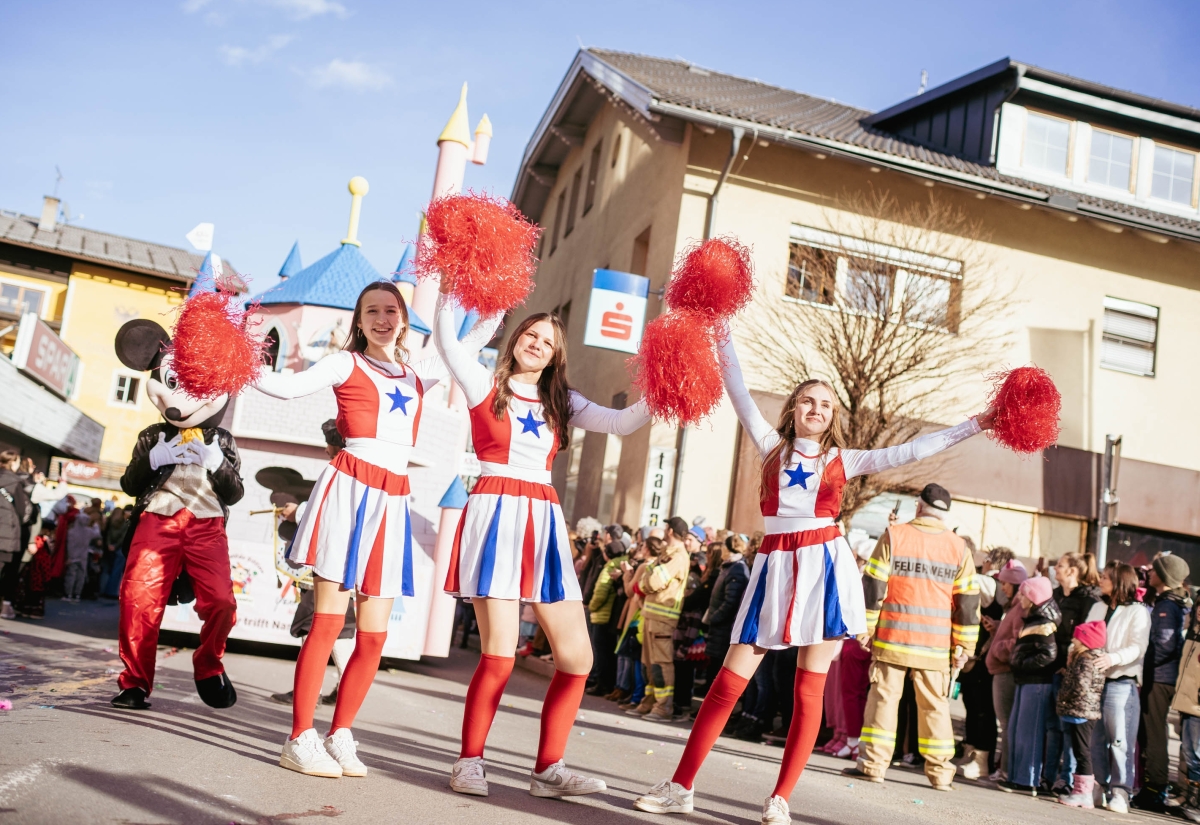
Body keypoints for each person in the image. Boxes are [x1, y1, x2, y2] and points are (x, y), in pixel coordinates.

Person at [635, 332, 993, 824]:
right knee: (726, 684)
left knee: (808, 691)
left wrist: (978, 423)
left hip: (824, 567)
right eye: (808, 400)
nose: (816, 408)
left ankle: (781, 798)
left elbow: (914, 450)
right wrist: (721, 329)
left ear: (833, 415)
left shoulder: (844, 460)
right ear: (793, 409)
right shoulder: (768, 446)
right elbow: (736, 387)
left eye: (825, 403)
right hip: (776, 566)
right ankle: (681, 785)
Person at [256, 281, 498, 779]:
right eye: (373, 311)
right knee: (327, 622)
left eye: (392, 310)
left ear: (405, 319)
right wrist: (232, 361)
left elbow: (471, 341)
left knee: (373, 634)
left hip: (392, 498)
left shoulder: (419, 371)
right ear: (359, 320)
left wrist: (484, 282)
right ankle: (299, 736)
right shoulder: (345, 363)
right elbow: (282, 386)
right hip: (349, 488)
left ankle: (340, 732)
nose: (383, 319)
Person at [434, 288, 651, 800]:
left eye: (547, 342)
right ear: (514, 340)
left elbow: (621, 423)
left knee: (578, 659)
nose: (535, 344)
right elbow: (447, 339)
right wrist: (454, 276)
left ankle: (547, 770)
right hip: (496, 513)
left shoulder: (562, 400)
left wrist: (663, 392)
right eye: (529, 334)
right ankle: (469, 761)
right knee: (500, 654)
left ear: (557, 356)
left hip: (544, 520)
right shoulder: (484, 383)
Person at [844, 483, 981, 791]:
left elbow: (874, 586)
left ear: (918, 507)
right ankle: (940, 774)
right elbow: (968, 604)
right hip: (934, 646)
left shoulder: (895, 536)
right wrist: (964, 646)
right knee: (935, 706)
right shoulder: (959, 548)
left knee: (883, 700)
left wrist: (865, 629)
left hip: (893, 638)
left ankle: (874, 766)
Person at [1085, 561, 1150, 814]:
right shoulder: (1098, 606)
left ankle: (1122, 791)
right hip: (1095, 681)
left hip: (1122, 681)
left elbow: (1138, 646)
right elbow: (1084, 635)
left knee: (1120, 740)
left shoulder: (1138, 611)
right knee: (1095, 738)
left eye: (1106, 577)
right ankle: (1099, 785)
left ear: (1120, 581)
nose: (1101, 580)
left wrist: (1113, 658)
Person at [1131, 553, 1191, 812]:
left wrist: (1143, 662)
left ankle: (1154, 789)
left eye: (1155, 571)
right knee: (1152, 734)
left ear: (1164, 577)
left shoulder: (1167, 606)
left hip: (1160, 678)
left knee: (1153, 735)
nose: (1150, 574)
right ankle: (1153, 786)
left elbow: (1164, 645)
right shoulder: (1169, 602)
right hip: (1160, 676)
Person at [1042, 552, 1102, 794]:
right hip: (1051, 667)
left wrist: (1069, 664)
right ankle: (1048, 777)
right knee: (1052, 727)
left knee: (1069, 729)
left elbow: (1084, 638)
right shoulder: (1056, 595)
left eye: (1061, 565)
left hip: (1072, 672)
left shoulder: (1087, 599)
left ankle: (1066, 779)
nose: (1056, 569)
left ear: (1073, 571)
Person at [999, 575, 1060, 794]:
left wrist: (1023, 664)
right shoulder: (1034, 618)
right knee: (1017, 729)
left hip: (1036, 682)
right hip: (1026, 680)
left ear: (1033, 597)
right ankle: (1017, 777)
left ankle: (1028, 779)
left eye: (1023, 594)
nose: (1019, 597)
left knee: (1028, 732)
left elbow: (1049, 654)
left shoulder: (1043, 622)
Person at [625, 519, 691, 722]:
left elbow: (652, 581)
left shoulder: (678, 557)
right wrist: (647, 579)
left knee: (661, 664)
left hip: (663, 618)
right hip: (651, 615)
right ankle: (649, 702)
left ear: (670, 531)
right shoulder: (667, 554)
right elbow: (648, 580)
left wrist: (646, 580)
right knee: (649, 663)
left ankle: (663, 707)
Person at [983, 558, 1027, 782]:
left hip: (1006, 671)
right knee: (1007, 723)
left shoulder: (1019, 608)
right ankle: (1005, 768)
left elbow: (1017, 640)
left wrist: (999, 649)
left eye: (1005, 583)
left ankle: (1007, 770)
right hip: (1002, 670)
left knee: (1007, 723)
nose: (1002, 587)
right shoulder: (1014, 607)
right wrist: (998, 628)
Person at [1057, 621, 1108, 808]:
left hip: (1082, 711)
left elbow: (1082, 685)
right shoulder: (1081, 658)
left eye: (1077, 637)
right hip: (1080, 710)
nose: (1073, 639)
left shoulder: (1086, 660)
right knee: (1080, 751)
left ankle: (1083, 792)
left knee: (1082, 751)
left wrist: (1067, 693)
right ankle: (1083, 790)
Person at [585, 530, 629, 697]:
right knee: (607, 652)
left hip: (601, 614)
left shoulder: (610, 566)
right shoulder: (620, 563)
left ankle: (602, 684)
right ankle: (605, 683)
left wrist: (591, 606)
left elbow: (601, 591)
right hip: (609, 615)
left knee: (601, 651)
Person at [1170, 597, 1200, 823]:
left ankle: (1196, 802)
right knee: (1190, 752)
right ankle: (1191, 798)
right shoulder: (1194, 633)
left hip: (1196, 703)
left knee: (1196, 754)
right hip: (1188, 702)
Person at [0, 450, 34, 618]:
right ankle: (6, 606)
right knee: (9, 571)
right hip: (7, 536)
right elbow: (23, 511)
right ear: (13, 463)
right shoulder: (16, 483)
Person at [63, 509, 102, 602]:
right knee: (81, 576)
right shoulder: (89, 531)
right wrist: (96, 525)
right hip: (83, 556)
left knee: (71, 575)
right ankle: (77, 595)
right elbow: (97, 534)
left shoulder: (71, 532)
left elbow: (68, 545)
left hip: (72, 556)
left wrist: (68, 557)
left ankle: (68, 594)